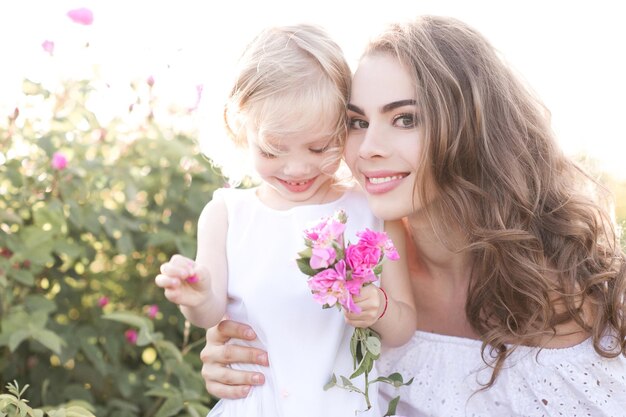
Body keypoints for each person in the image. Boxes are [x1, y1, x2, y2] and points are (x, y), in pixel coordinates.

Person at [197, 15, 626, 416]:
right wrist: (237, 358)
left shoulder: (584, 286)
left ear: (472, 126)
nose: (368, 149)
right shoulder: (358, 270)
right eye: (357, 122)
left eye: (405, 119)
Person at [154, 24, 416, 417]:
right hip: (257, 405)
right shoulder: (228, 214)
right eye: (274, 150)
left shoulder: (370, 212)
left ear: (343, 128)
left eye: (319, 146)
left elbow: (403, 326)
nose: (296, 168)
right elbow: (211, 314)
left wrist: (378, 308)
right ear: (240, 130)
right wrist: (196, 295)